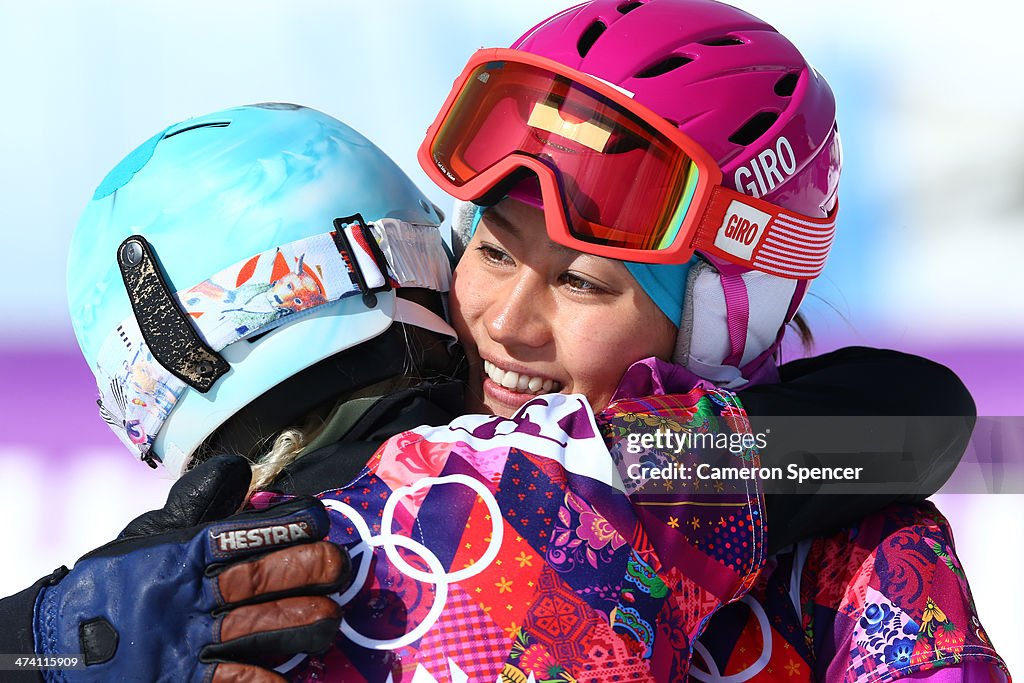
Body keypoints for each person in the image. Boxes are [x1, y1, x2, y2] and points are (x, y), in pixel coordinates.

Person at [0, 25, 1001, 679]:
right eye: (489, 249)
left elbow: (904, 420)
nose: (509, 322)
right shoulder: (546, 486)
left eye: (585, 282)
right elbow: (908, 418)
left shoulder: (191, 588)